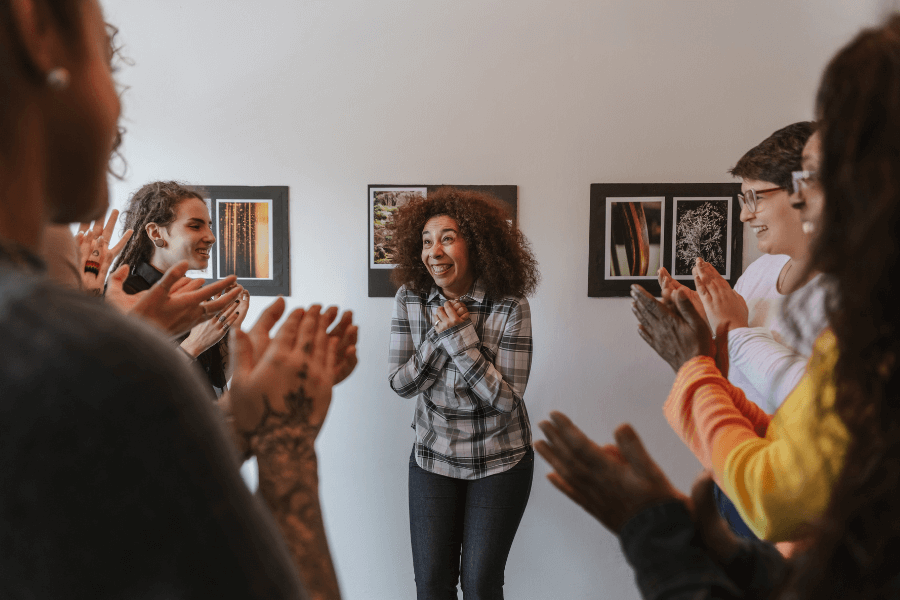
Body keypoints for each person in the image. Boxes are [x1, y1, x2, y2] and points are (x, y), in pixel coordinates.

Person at [540, 13, 900, 598]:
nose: (809, 201)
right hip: (740, 483)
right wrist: (701, 354)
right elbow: (798, 438)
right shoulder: (844, 310)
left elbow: (781, 490)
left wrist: (654, 525)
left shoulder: (863, 319)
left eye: (820, 177)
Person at [0, 1, 348, 597]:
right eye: (111, 66)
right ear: (39, 33)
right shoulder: (91, 353)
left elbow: (111, 515)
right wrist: (284, 438)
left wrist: (238, 413)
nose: (118, 112)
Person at [658, 123, 828, 540]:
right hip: (734, 466)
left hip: (792, 491)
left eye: (755, 197)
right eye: (742, 198)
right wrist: (701, 329)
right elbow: (733, 371)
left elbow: (810, 403)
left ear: (804, 191)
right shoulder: (760, 271)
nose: (745, 214)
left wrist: (733, 329)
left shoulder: (853, 290)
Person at [388, 186, 539, 599]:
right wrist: (439, 338)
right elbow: (400, 383)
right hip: (433, 457)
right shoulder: (410, 299)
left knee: (479, 585)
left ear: (477, 245)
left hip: (500, 460)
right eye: (425, 241)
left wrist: (457, 337)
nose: (434, 251)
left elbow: (505, 400)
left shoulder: (510, 306)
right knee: (433, 584)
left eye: (447, 238)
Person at [113, 181, 250, 396]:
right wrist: (194, 345)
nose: (211, 237)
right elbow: (126, 392)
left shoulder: (195, 294)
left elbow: (215, 378)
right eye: (195, 226)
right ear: (156, 233)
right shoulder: (122, 297)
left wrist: (230, 328)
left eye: (209, 225)